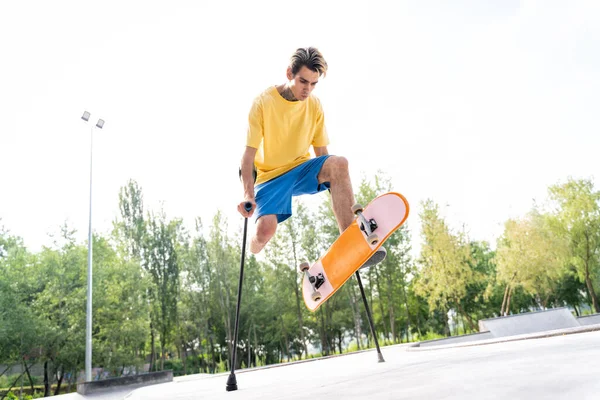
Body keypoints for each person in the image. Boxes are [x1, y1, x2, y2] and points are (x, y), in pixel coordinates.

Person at [237, 47, 385, 267]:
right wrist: (248, 195)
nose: (308, 90)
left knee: (339, 163)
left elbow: (323, 155)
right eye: (303, 81)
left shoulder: (314, 105)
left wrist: (336, 188)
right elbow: (247, 158)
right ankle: (254, 246)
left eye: (314, 84)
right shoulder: (263, 103)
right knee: (266, 230)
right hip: (269, 177)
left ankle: (352, 242)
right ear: (289, 74)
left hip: (300, 169)